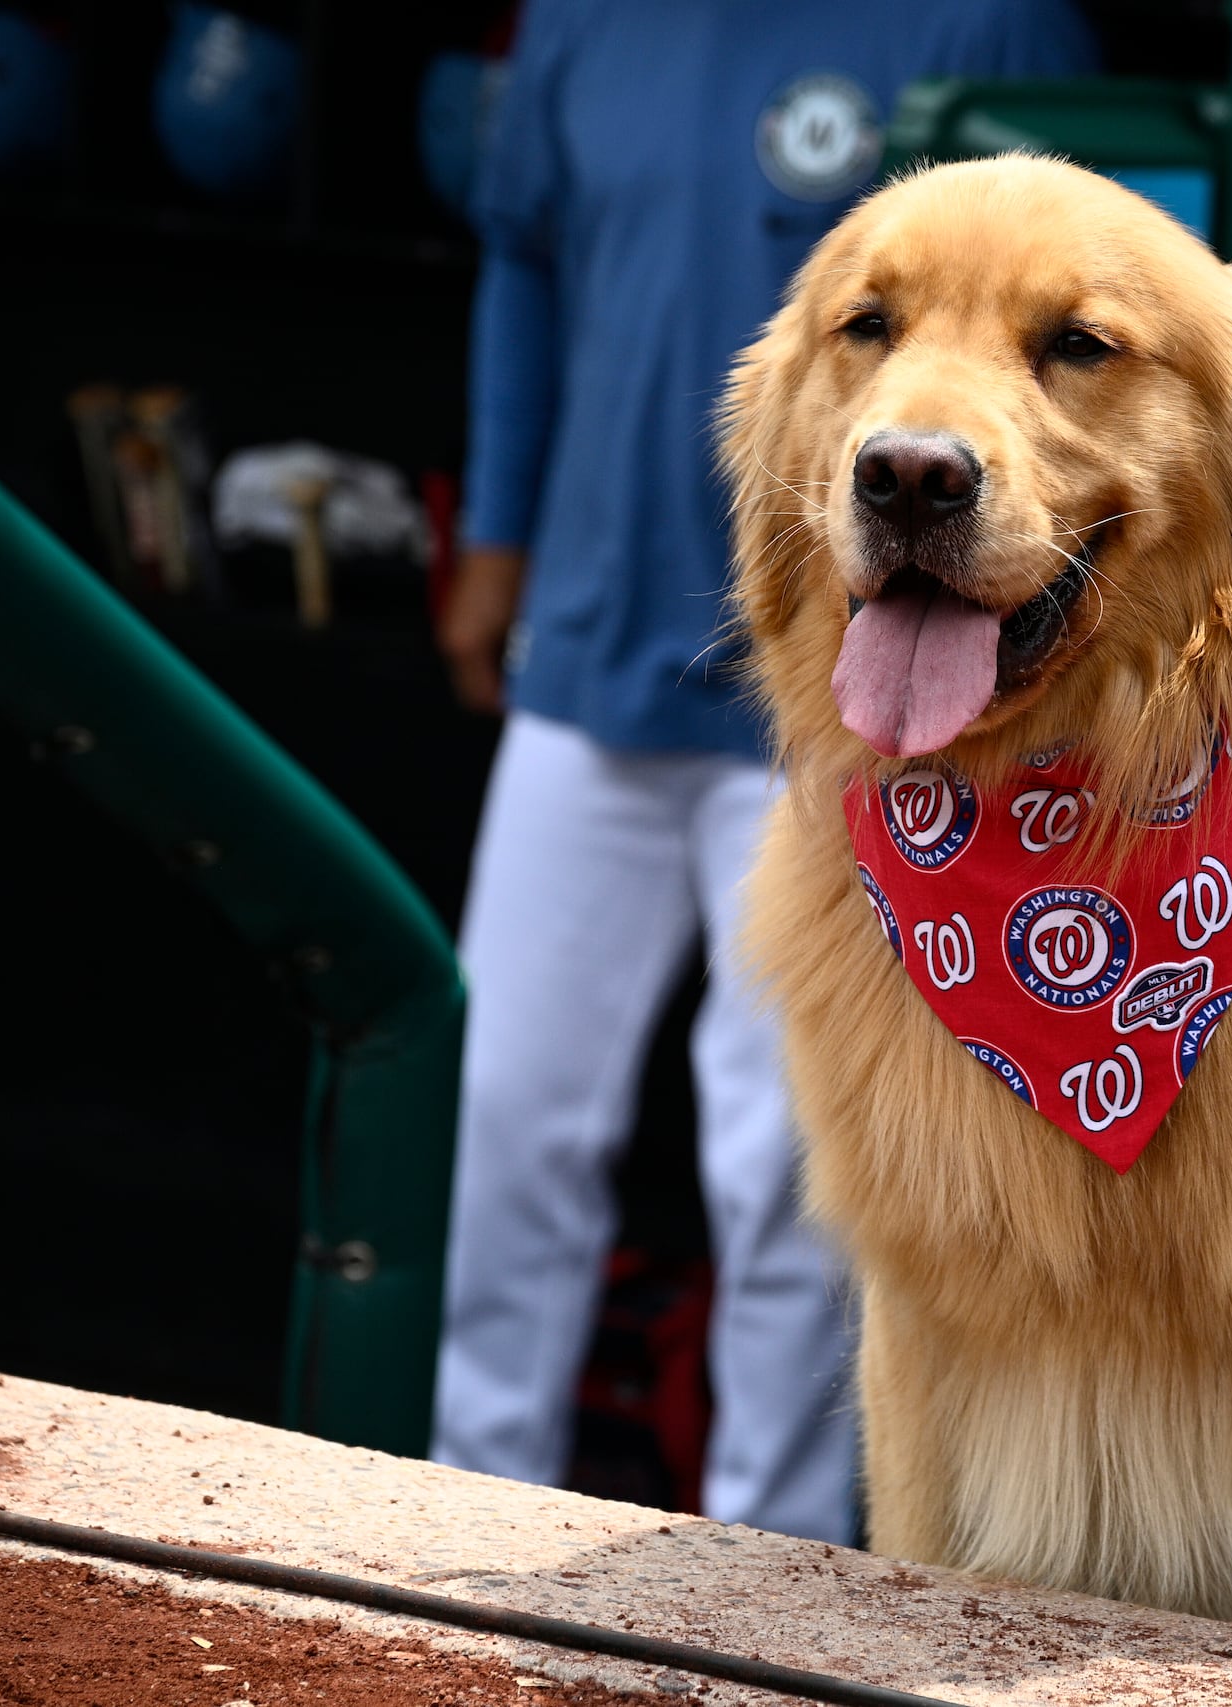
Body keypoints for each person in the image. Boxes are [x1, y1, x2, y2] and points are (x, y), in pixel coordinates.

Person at [433, 0, 1098, 1541]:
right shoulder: (581, 23)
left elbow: (1069, 315)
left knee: (795, 1180)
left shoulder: (988, 20)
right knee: (502, 1120)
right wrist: (496, 535)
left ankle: (774, 1575)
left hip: (855, 709)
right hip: (590, 656)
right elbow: (521, 265)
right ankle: (452, 1533)